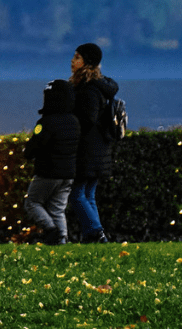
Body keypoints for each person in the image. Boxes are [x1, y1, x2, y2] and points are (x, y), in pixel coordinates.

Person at [69, 42, 120, 243]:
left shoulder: (89, 89)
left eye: (77, 57)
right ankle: (93, 236)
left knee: (77, 194)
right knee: (88, 194)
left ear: (87, 62)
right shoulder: (101, 87)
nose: (72, 61)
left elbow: (87, 119)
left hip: (87, 149)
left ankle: (96, 232)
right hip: (100, 148)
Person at [23, 79, 79, 244]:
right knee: (57, 209)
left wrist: (27, 152)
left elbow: (35, 145)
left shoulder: (45, 123)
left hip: (47, 172)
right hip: (68, 174)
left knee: (32, 202)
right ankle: (61, 241)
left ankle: (50, 230)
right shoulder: (74, 122)